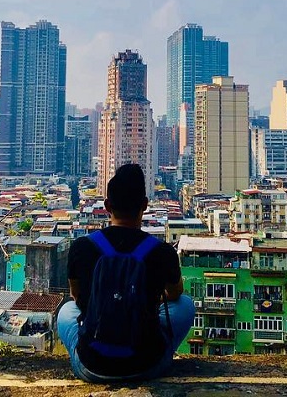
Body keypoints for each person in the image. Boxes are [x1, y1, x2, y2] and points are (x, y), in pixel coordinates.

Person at [57, 163, 194, 382]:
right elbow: (176, 295)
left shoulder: (81, 247)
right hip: (145, 365)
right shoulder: (162, 251)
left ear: (107, 205)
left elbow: (77, 296)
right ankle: (158, 351)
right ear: (145, 205)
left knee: (66, 311)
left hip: (92, 365)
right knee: (186, 305)